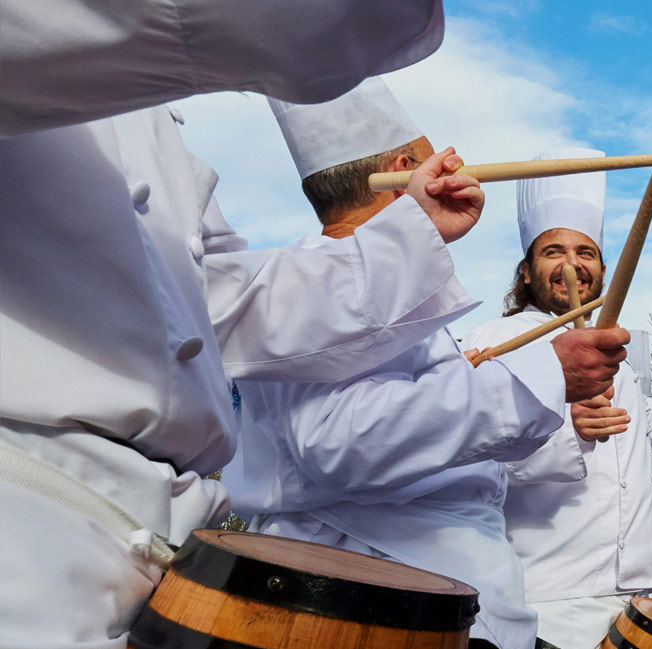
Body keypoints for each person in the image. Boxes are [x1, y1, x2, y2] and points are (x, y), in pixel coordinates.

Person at [0, 3, 452, 645]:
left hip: (163, 548)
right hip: (25, 527)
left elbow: (215, 305)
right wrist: (534, 386)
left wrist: (415, 232)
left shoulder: (159, 130)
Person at [223, 80, 628, 649]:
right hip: (378, 607)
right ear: (406, 169)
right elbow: (339, 442)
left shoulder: (375, 291)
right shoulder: (320, 286)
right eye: (439, 158)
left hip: (439, 603)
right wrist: (542, 378)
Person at [458, 147, 652, 648]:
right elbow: (465, 453)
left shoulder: (609, 350)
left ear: (602, 271)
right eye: (553, 252)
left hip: (644, 598)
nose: (572, 265)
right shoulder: (490, 342)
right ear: (525, 272)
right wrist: (565, 430)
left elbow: (646, 422)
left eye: (585, 254)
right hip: (547, 599)